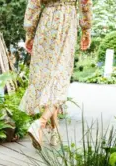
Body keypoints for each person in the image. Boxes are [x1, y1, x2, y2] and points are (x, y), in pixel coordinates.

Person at [20, 0, 92, 150]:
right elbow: (85, 3)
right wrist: (86, 29)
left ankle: (55, 131)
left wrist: (30, 32)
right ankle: (40, 123)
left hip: (47, 23)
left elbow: (34, 3)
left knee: (47, 76)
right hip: (67, 22)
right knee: (61, 76)